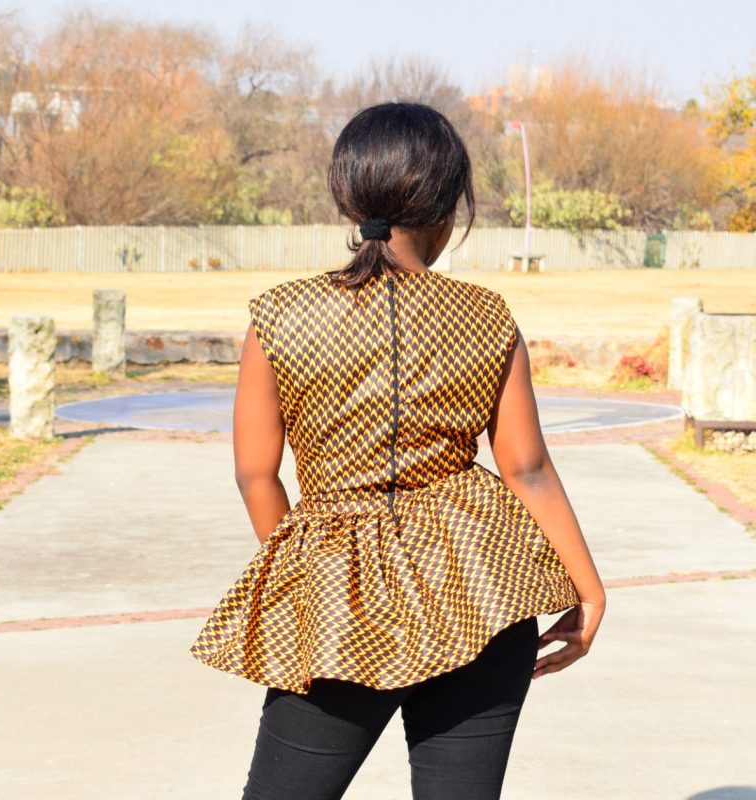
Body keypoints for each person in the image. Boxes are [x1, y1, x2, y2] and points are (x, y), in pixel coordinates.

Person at [189, 102, 606, 800]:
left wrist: (309, 582)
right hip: (481, 590)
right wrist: (588, 591)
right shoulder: (487, 315)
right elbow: (526, 469)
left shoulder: (279, 315)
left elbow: (256, 474)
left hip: (339, 601)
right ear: (449, 203)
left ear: (347, 195)